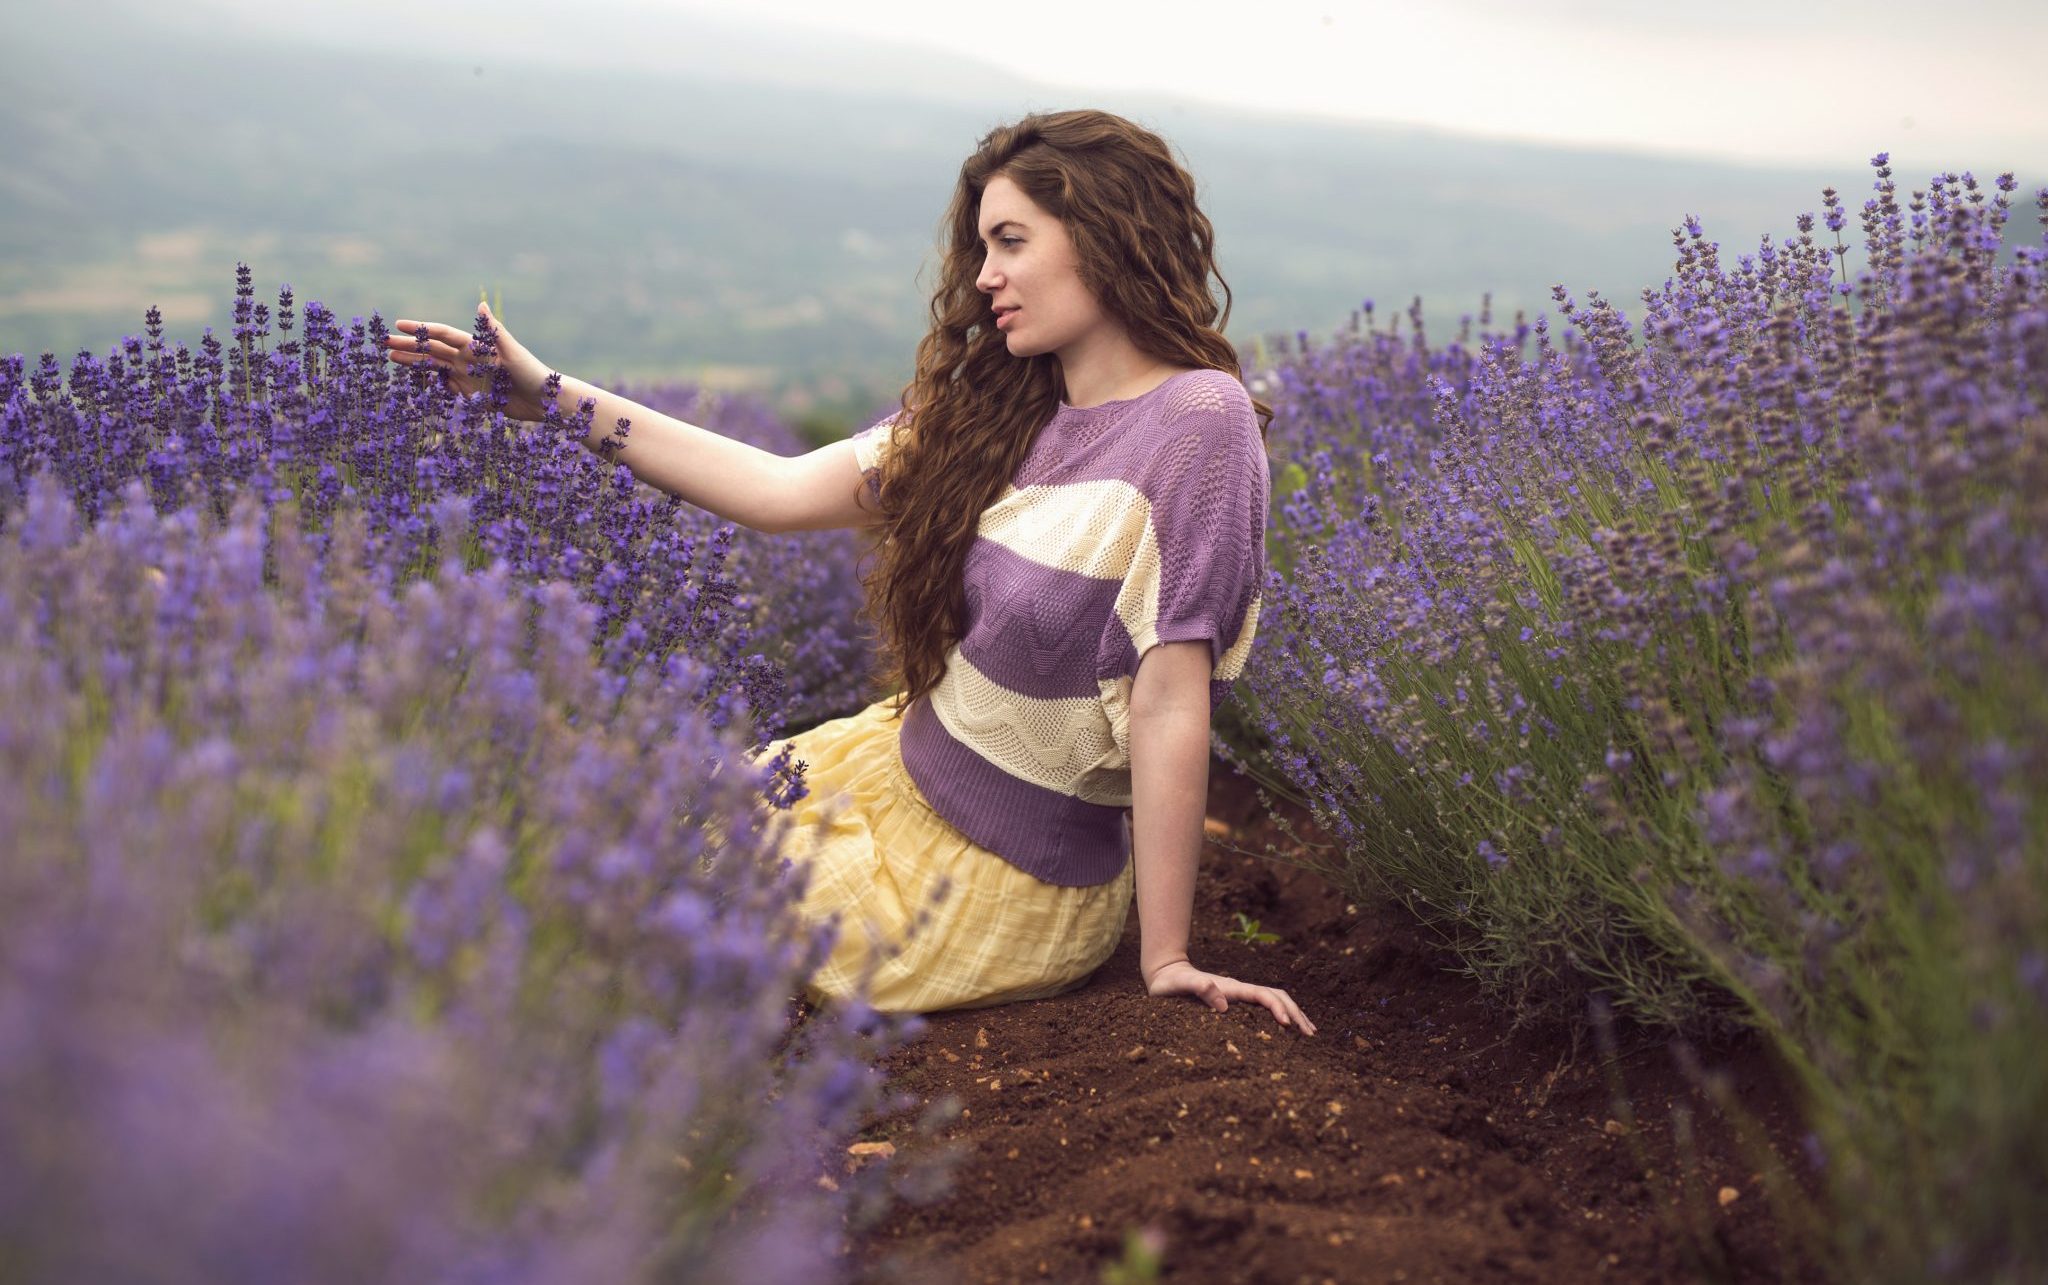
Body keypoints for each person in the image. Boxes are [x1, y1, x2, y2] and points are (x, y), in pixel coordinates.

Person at [384, 109, 1316, 1036]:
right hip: (882, 772)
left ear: (1106, 234)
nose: (986, 275)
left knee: (640, 914)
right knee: (611, 839)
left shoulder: (1200, 422)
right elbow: (775, 487)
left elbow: (1167, 701)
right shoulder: (1004, 411)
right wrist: (545, 395)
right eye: (981, 246)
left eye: (1011, 241)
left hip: (995, 883)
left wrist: (1168, 958)